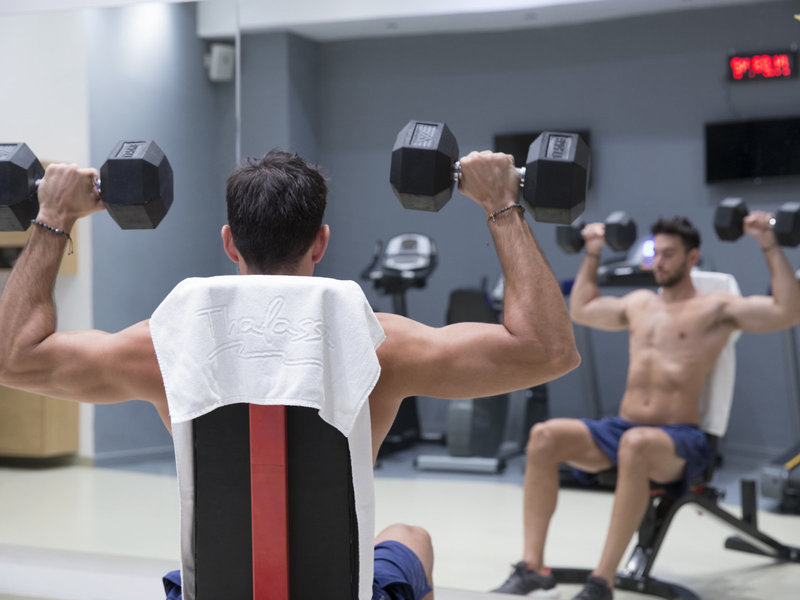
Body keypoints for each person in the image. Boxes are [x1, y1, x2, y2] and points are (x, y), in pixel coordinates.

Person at [0, 150, 580, 600]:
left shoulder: (164, 345)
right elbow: (548, 351)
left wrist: (54, 216)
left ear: (230, 243)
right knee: (411, 538)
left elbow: (12, 358)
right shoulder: (381, 346)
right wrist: (501, 204)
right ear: (320, 242)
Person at [492, 215, 800, 599]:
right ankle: (533, 567)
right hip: (625, 430)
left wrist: (769, 243)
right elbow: (583, 309)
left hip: (682, 439)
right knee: (544, 436)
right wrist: (592, 252)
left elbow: (787, 312)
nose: (659, 262)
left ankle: (601, 582)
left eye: (669, 255)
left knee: (635, 444)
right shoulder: (639, 304)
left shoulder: (716, 308)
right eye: (657, 254)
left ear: (692, 258)